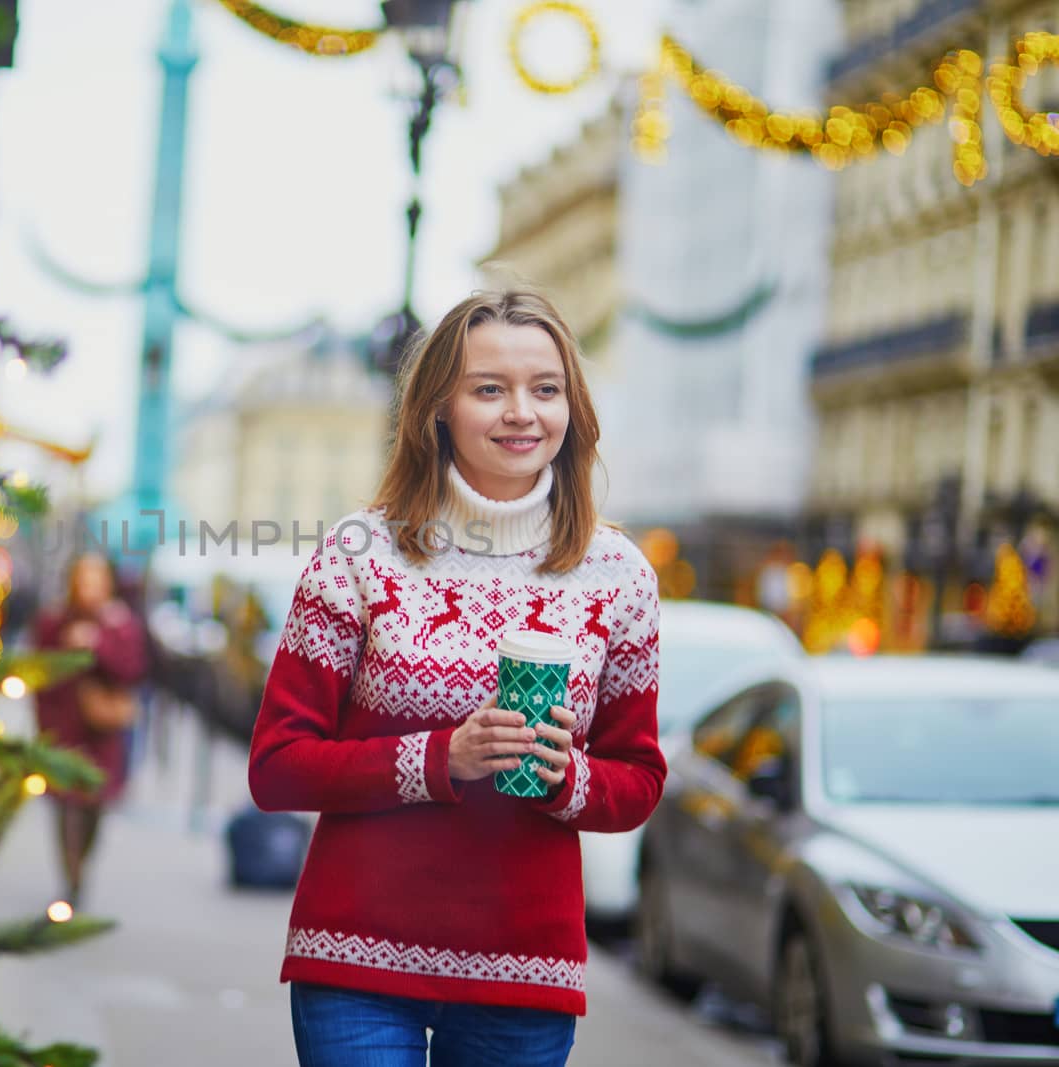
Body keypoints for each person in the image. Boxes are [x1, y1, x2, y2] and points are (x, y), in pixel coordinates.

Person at [248, 289, 666, 1067]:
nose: (521, 412)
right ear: (438, 406)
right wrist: (441, 759)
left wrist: (562, 778)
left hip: (525, 974)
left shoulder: (619, 575)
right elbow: (275, 767)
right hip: (356, 960)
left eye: (545, 389)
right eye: (489, 388)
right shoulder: (357, 553)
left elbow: (638, 778)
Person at [33, 552, 149, 907]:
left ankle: (80, 870)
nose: (89, 589)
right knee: (67, 806)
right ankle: (72, 885)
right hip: (62, 729)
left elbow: (132, 672)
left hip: (102, 733)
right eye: (83, 580)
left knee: (94, 807)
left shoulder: (119, 624)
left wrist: (99, 643)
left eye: (96, 580)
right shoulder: (54, 620)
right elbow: (41, 671)